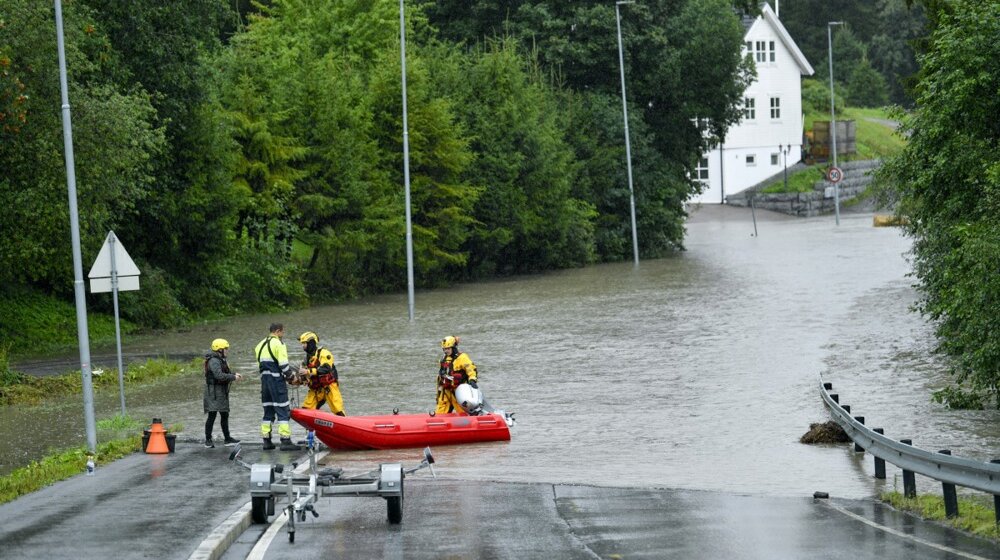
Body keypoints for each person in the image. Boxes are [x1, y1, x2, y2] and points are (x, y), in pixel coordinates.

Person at [254, 323, 300, 451]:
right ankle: (285, 441)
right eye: (282, 332)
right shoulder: (279, 344)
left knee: (268, 412)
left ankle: (267, 441)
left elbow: (262, 365)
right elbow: (284, 365)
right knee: (282, 410)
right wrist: (292, 377)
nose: (283, 335)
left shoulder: (260, 345)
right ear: (278, 331)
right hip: (276, 382)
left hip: (264, 382)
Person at [203, 338, 243, 448]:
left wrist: (234, 374)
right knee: (212, 415)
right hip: (213, 392)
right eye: (226, 349)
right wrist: (233, 377)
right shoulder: (214, 361)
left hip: (221, 391)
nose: (227, 351)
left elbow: (224, 373)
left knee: (225, 414)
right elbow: (219, 376)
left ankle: (227, 438)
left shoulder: (221, 359)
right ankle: (208, 440)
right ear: (219, 350)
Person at [297, 331, 346, 416]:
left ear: (311, 343)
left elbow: (326, 368)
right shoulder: (306, 359)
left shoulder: (324, 353)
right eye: (302, 343)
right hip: (316, 389)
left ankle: (345, 425)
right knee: (306, 410)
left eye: (304, 343)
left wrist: (308, 371)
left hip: (329, 387)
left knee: (338, 410)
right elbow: (305, 375)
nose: (303, 346)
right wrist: (301, 380)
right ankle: (312, 429)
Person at [436, 335, 478, 414]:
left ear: (454, 347)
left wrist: (472, 380)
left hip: (459, 391)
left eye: (448, 349)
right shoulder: (443, 359)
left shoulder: (462, 358)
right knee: (439, 413)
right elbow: (440, 379)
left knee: (463, 413)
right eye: (444, 349)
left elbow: (471, 369)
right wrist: (438, 395)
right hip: (446, 392)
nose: (446, 351)